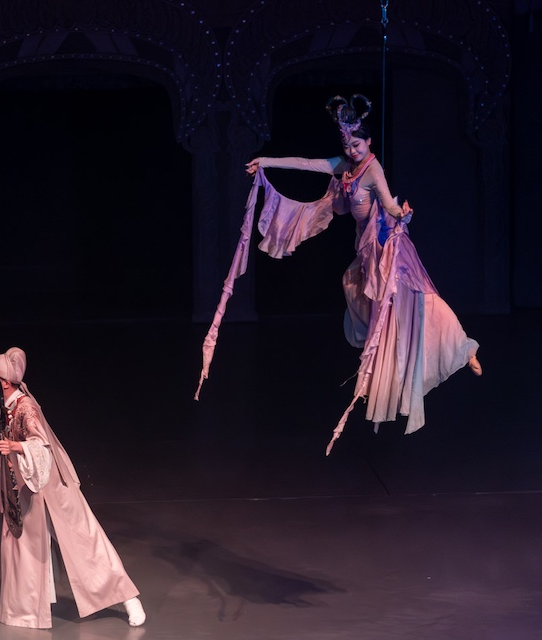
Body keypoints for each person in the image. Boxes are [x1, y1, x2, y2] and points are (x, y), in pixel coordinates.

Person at [196, 94, 481, 454]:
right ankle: (389, 367)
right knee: (364, 299)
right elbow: (305, 164)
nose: (352, 150)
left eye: (357, 144)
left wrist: (404, 214)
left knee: (421, 300)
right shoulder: (344, 166)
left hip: (387, 248)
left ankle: (463, 348)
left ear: (369, 142)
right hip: (366, 251)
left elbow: (389, 205)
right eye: (347, 144)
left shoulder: (373, 170)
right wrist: (264, 160)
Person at [0, 347, 145, 629]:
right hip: (22, 483)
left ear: (4, 382)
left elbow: (41, 445)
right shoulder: (4, 403)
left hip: (50, 483)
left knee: (82, 539)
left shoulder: (26, 407)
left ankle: (127, 597)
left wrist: (16, 446)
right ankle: (27, 609)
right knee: (21, 543)